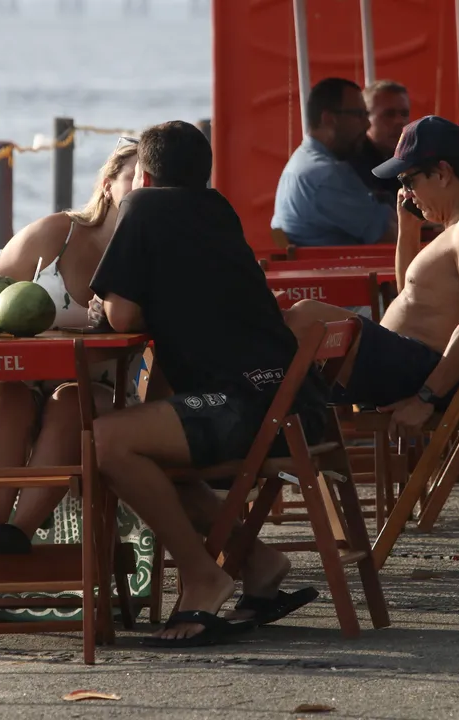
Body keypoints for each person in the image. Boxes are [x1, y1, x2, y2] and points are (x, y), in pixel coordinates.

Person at [89, 120, 328, 647]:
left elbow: (122, 316)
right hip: (291, 404)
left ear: (144, 176)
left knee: (107, 441)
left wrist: (100, 304)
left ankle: (203, 573)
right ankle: (258, 562)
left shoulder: (143, 207)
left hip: (243, 407)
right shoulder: (217, 209)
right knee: (150, 461)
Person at [0, 139, 155, 622]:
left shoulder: (151, 256)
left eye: (154, 184)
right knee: (6, 396)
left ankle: (10, 541)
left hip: (94, 397)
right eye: (134, 179)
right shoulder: (56, 235)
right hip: (6, 390)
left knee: (70, 403)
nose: (144, 190)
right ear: (108, 186)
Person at [283, 116, 459, 426]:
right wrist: (408, 230)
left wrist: (426, 396)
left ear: (442, 173)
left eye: (408, 181)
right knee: (285, 341)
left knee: (302, 318)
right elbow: (413, 296)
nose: (406, 193)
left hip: (425, 373)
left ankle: (261, 439)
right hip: (408, 364)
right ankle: (275, 433)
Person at [271, 77, 396, 246]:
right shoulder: (325, 175)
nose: (367, 124)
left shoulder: (303, 162)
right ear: (328, 119)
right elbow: (391, 235)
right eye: (359, 115)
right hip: (347, 269)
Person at [349, 79, 410, 202]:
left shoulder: (412, 158)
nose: (399, 121)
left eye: (404, 114)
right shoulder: (350, 166)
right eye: (389, 114)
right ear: (365, 118)